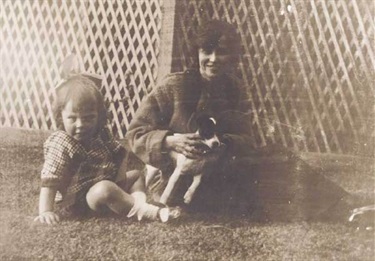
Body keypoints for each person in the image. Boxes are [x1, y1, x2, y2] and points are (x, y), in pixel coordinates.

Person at [125, 20, 372, 223]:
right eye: (206, 51)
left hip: (220, 164)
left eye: (221, 52)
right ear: (197, 53)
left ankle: (347, 205)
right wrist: (170, 140)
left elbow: (247, 139)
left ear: (232, 56)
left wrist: (221, 146)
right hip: (178, 179)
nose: (213, 58)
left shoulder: (234, 88)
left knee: (278, 156)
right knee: (256, 188)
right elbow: (134, 134)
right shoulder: (174, 86)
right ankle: (345, 209)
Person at [34, 73, 179, 225]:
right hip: (79, 201)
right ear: (60, 116)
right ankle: (150, 212)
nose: (80, 124)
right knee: (105, 188)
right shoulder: (61, 142)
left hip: (105, 183)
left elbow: (120, 153)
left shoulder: (101, 133)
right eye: (72, 118)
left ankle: (137, 205)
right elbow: (50, 180)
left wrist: (120, 179)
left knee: (135, 175)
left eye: (88, 118)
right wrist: (45, 211)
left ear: (99, 116)